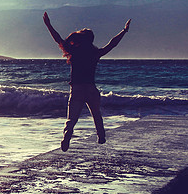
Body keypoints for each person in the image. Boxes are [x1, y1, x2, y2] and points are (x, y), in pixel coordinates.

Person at [43, 12, 130, 152]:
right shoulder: (95, 53)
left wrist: (48, 24)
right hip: (91, 89)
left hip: (76, 89)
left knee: (71, 119)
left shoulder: (74, 51)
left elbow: (58, 39)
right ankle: (101, 136)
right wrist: (124, 31)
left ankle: (67, 135)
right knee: (96, 114)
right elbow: (112, 44)